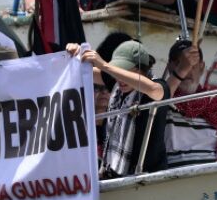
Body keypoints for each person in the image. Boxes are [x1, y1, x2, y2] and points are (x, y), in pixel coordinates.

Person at [67, 39, 182, 176]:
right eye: (117, 73)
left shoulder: (158, 86)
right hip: (114, 174)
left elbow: (153, 90)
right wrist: (76, 54)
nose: (120, 79)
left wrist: (104, 65)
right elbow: (85, 71)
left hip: (147, 178)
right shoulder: (117, 85)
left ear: (142, 69)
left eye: (125, 72)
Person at [163, 39, 217, 164]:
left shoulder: (216, 108)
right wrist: (181, 71)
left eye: (193, 64)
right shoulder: (161, 104)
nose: (188, 70)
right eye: (181, 64)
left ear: (202, 67)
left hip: (212, 178)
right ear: (170, 67)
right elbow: (160, 97)